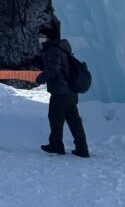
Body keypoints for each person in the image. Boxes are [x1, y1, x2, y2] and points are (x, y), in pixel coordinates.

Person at [37, 21, 89, 158]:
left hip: (60, 92)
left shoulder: (52, 49)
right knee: (74, 121)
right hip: (70, 93)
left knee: (55, 119)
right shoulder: (62, 49)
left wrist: (40, 78)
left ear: (48, 38)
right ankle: (82, 148)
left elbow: (53, 70)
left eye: (42, 36)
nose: (40, 39)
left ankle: (56, 145)